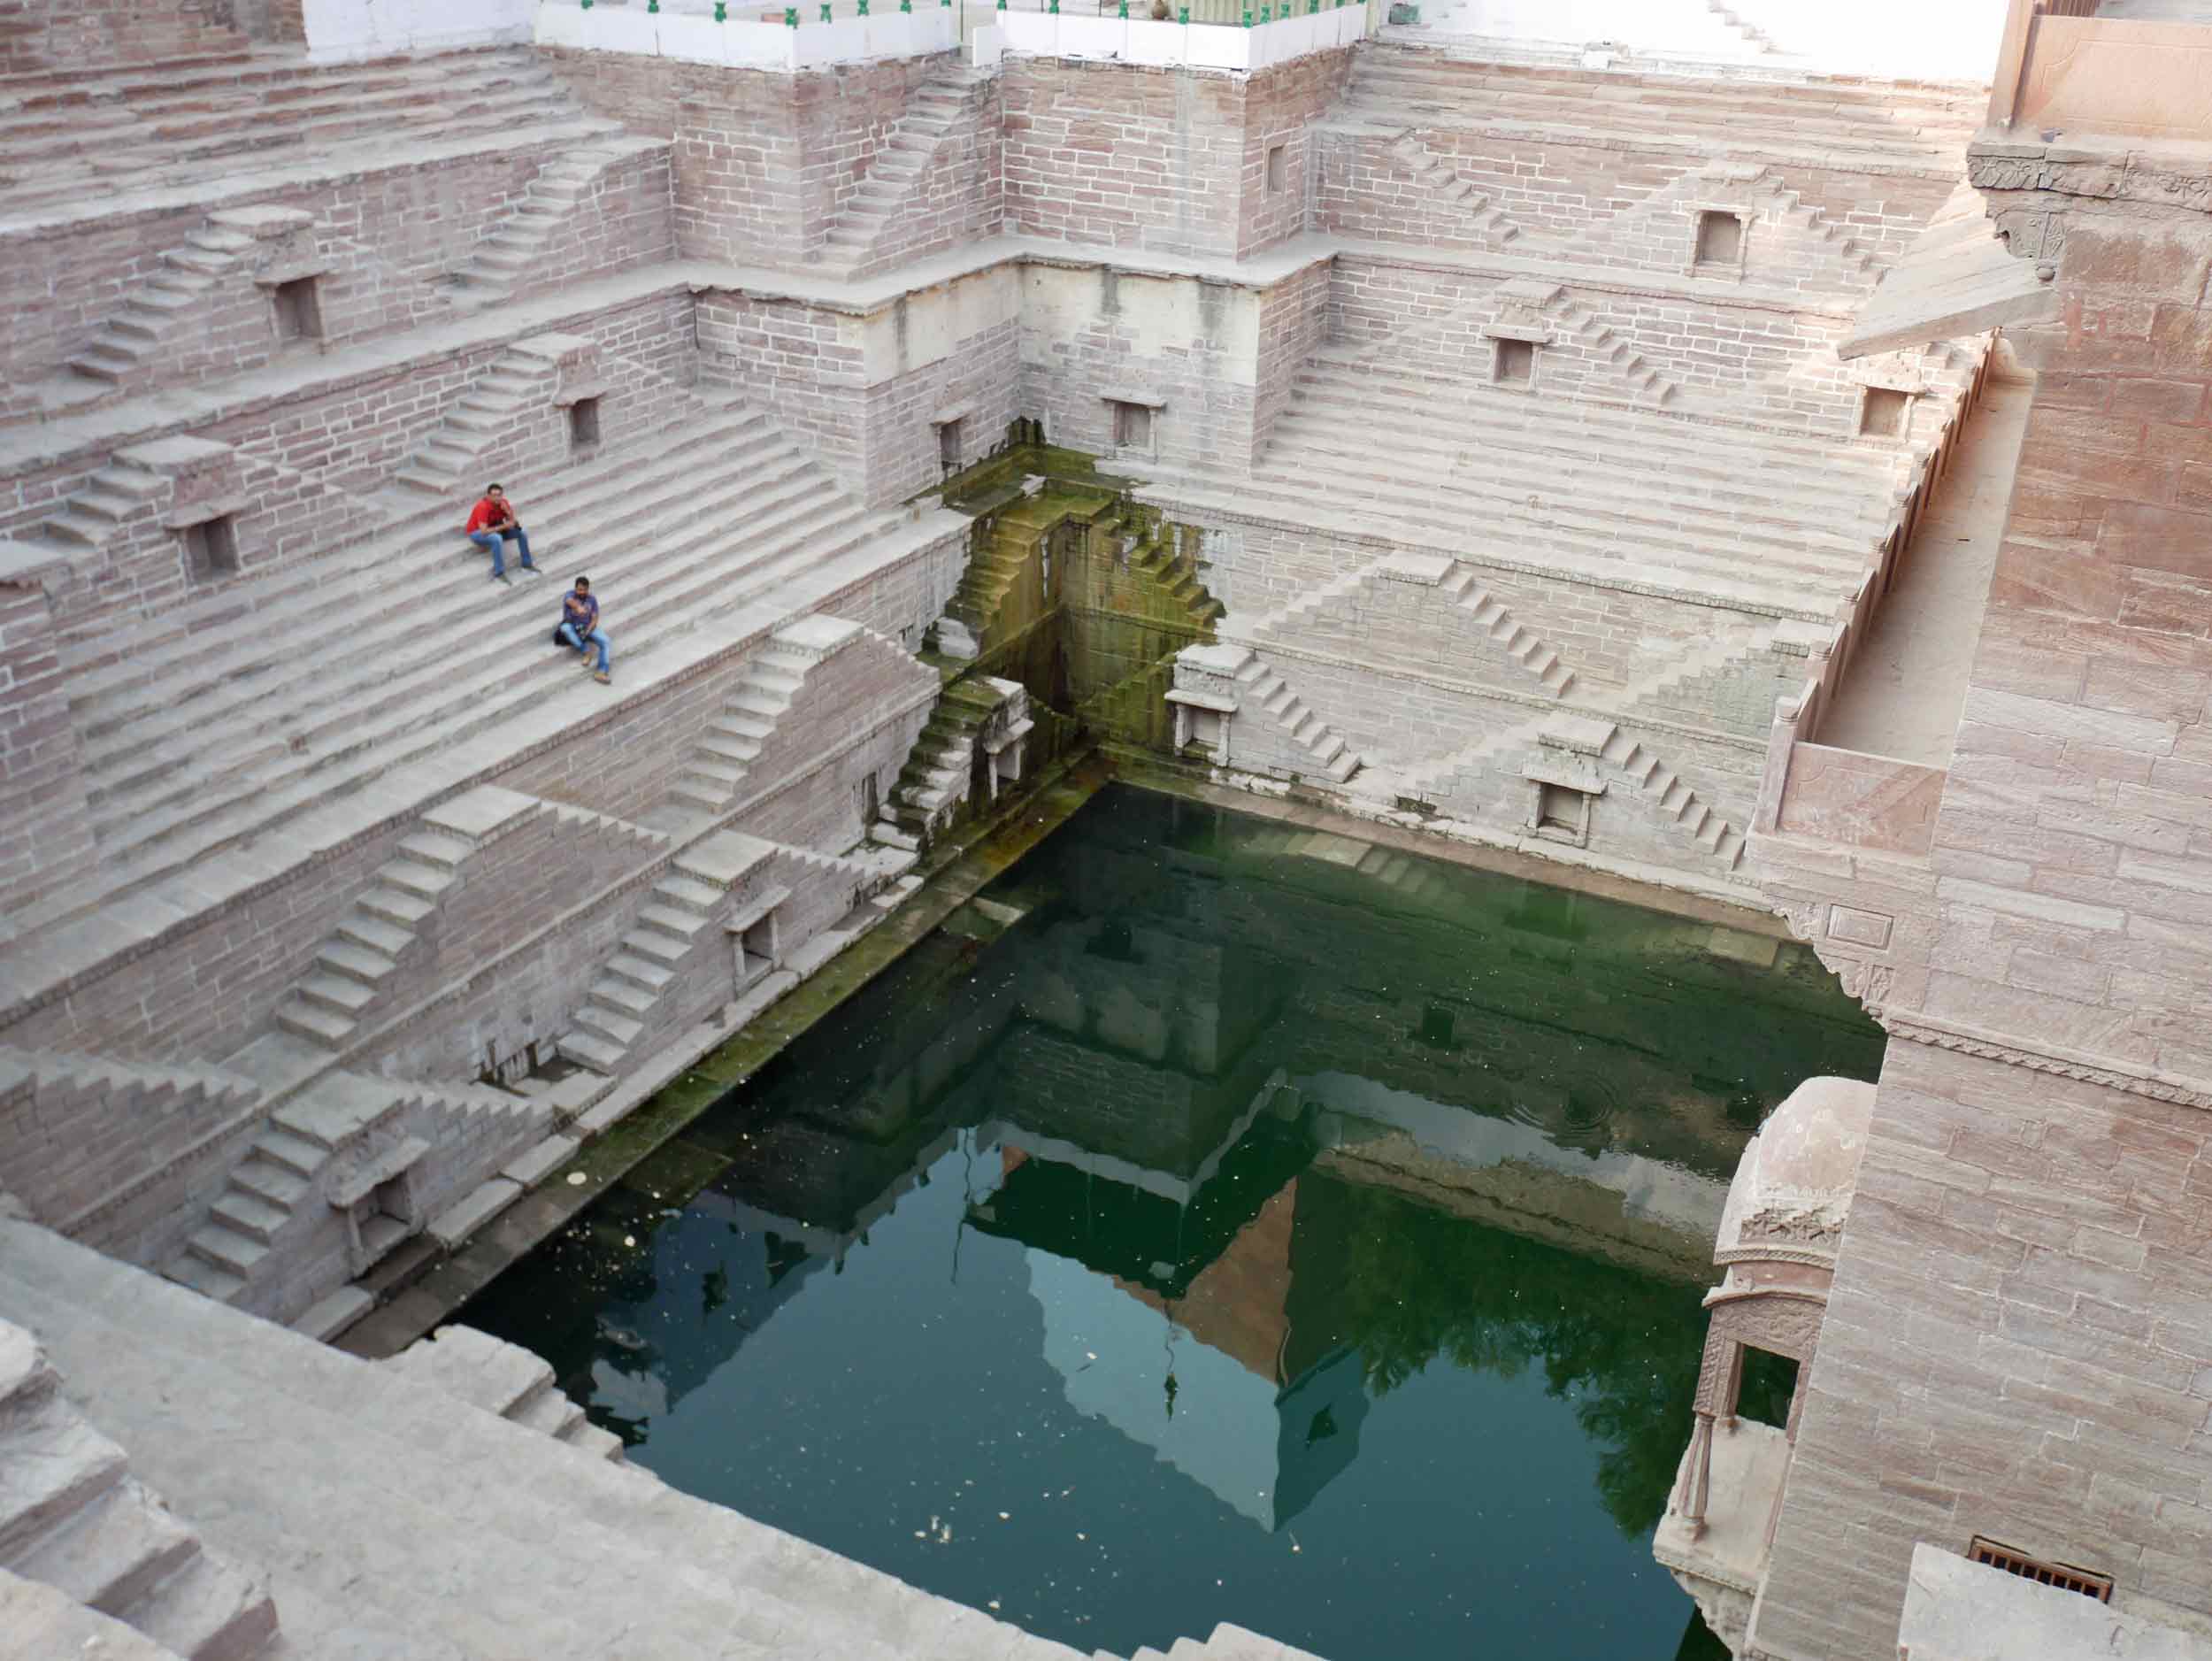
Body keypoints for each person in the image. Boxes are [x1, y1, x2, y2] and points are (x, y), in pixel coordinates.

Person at [465, 483, 539, 584]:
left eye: (499, 495)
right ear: (488, 496)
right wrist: (504, 526)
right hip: (477, 533)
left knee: (522, 533)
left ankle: (527, 564)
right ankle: (499, 572)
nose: (497, 498)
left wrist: (507, 511)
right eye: (494, 495)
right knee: (496, 538)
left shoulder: (503, 503)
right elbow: (484, 531)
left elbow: (515, 523)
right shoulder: (482, 506)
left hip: (496, 528)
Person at [557, 575, 611, 685]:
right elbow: (569, 601)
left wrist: (589, 629)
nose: (580, 592)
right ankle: (586, 652)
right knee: (565, 628)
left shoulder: (592, 599)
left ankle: (601, 672)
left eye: (583, 590)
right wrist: (578, 608)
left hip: (587, 626)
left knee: (606, 641)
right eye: (578, 589)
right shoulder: (570, 595)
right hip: (572, 625)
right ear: (575, 588)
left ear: (587, 589)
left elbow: (595, 617)